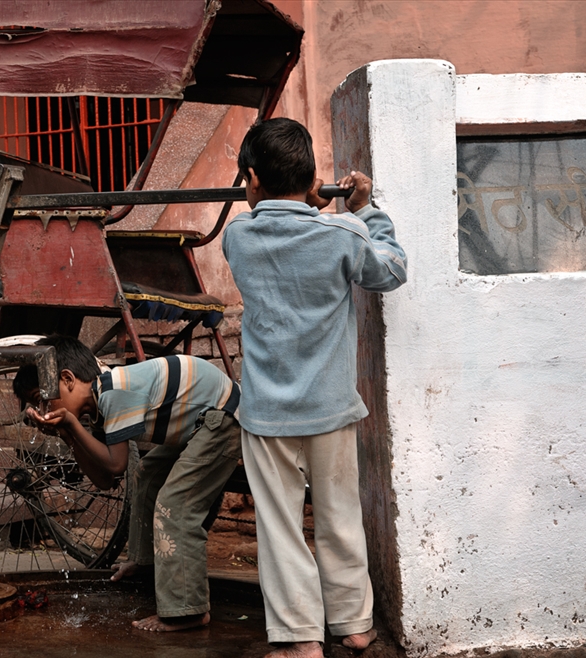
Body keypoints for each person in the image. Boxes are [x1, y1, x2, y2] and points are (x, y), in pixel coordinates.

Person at [221, 117, 407, 658]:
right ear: (311, 179)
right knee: (340, 518)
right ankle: (353, 624)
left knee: (280, 529)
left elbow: (274, 219)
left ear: (252, 179)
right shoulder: (344, 235)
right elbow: (390, 271)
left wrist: (304, 198)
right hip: (329, 407)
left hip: (266, 414)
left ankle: (299, 639)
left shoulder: (238, 236)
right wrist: (365, 211)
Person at [13, 334, 242, 632]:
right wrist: (67, 434)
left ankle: (189, 610)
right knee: (147, 474)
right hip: (199, 424)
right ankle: (145, 565)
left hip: (223, 418)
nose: (43, 410)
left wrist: (70, 424)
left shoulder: (113, 391)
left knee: (175, 505)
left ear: (68, 379)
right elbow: (106, 480)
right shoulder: (98, 405)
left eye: (42, 398)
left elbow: (115, 464)